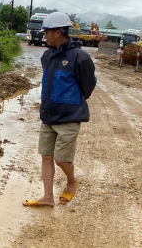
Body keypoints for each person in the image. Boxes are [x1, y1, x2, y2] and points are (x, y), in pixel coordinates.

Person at [23, 12, 96, 207]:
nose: (44, 36)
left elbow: (88, 86)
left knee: (61, 160)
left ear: (58, 32)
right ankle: (48, 197)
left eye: (47, 32)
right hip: (48, 115)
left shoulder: (80, 57)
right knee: (46, 157)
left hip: (69, 118)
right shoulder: (47, 55)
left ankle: (72, 182)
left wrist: (69, 102)